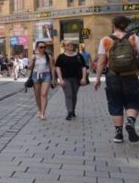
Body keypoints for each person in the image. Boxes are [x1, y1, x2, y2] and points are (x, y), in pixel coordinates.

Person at [94, 15, 139, 143]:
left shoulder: (106, 40)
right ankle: (130, 122)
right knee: (133, 101)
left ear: (113, 25)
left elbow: (102, 62)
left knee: (115, 103)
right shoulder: (134, 38)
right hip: (131, 75)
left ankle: (118, 135)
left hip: (113, 76)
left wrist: (97, 78)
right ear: (126, 25)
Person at [55, 40, 89, 120]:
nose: (71, 45)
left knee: (74, 95)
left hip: (76, 79)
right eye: (68, 44)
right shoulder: (61, 57)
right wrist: (60, 79)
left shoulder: (78, 56)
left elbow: (84, 67)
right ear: (65, 47)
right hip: (65, 78)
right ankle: (69, 112)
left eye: (72, 44)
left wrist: (84, 78)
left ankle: (73, 110)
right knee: (69, 94)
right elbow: (57, 68)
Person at [30, 40, 57, 119]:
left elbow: (52, 68)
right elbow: (30, 67)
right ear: (37, 48)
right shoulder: (34, 56)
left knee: (44, 94)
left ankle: (43, 113)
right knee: (37, 96)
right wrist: (30, 64)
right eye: (41, 47)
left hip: (46, 75)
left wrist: (53, 79)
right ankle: (40, 109)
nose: (43, 48)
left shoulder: (49, 56)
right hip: (36, 75)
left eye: (45, 47)